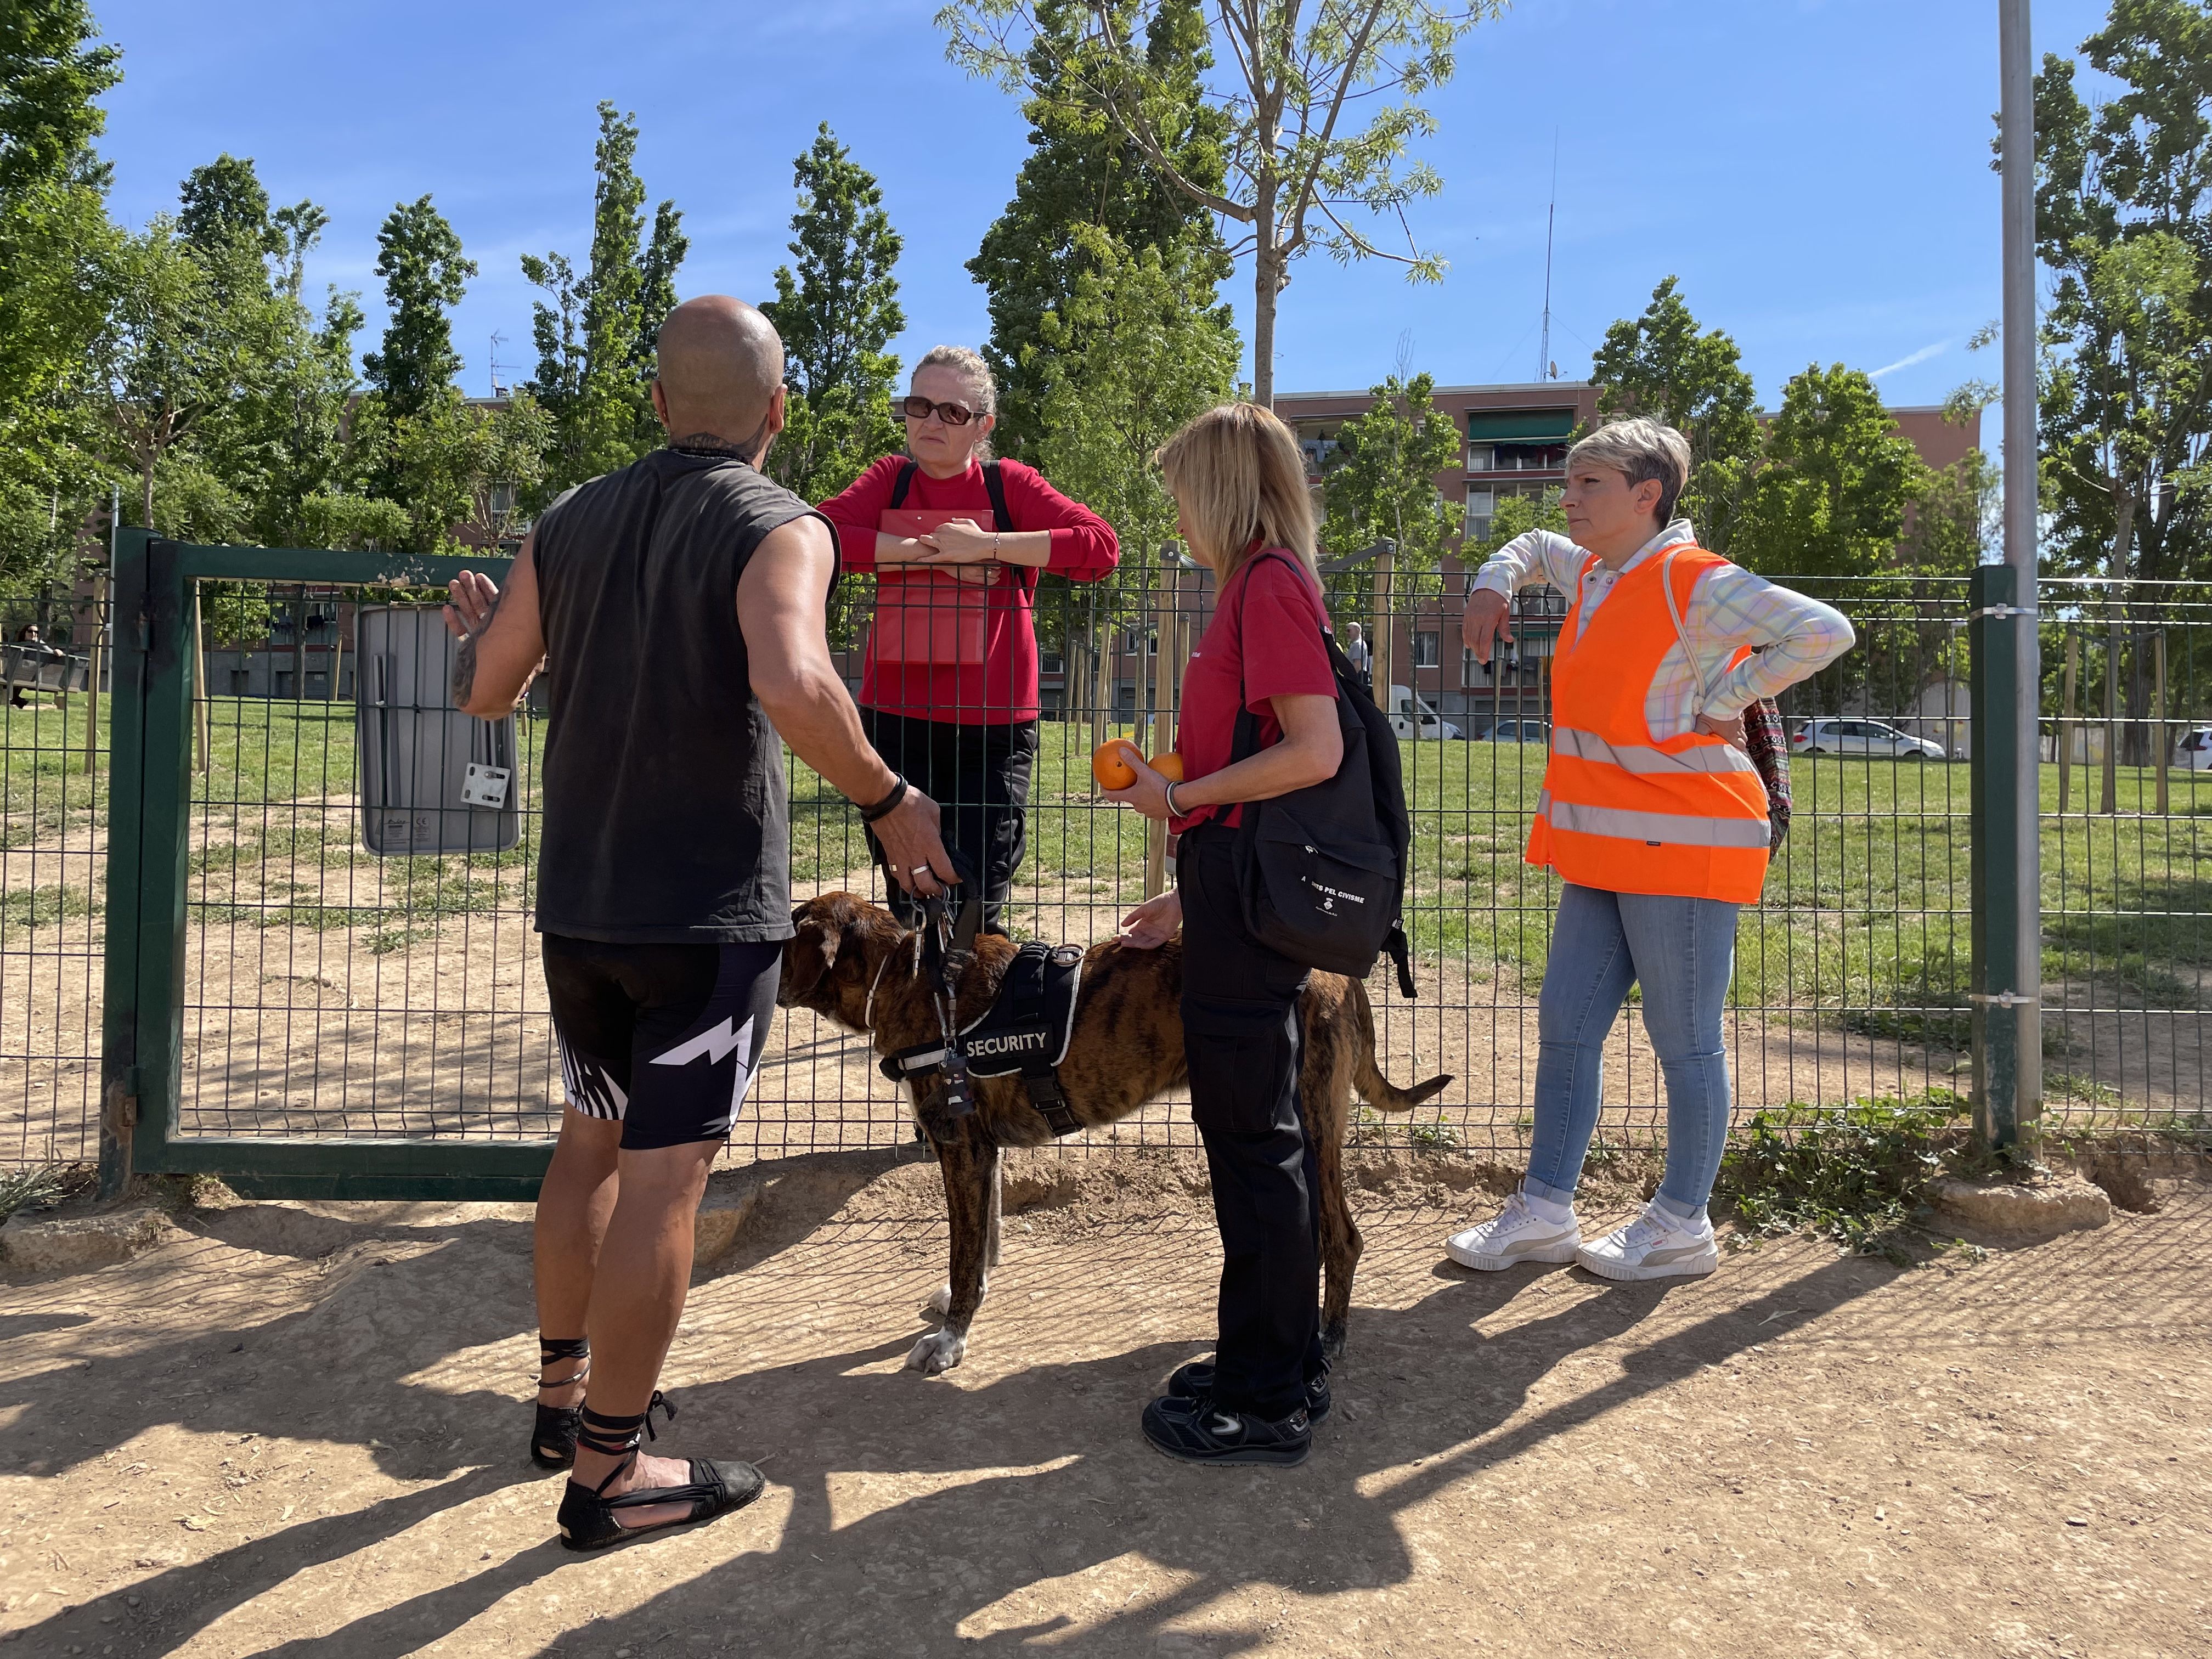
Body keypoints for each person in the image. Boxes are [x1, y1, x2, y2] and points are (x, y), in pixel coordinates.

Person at [443, 296, 957, 1550]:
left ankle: (562, 1409)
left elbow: (486, 692)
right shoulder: (783, 524)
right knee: (667, 1184)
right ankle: (611, 1478)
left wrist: (518, 638)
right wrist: (888, 800)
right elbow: (791, 679)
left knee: (588, 1152)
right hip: (704, 917)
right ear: (779, 414)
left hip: (583, 906)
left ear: (661, 405)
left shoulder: (566, 520)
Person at [1443, 417, 1853, 1281]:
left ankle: (1681, 1226)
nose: (1569, 498)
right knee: (1566, 1027)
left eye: (1589, 484)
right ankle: (1545, 1212)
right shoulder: (1593, 569)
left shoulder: (1694, 581)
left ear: (1646, 496)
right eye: (1571, 481)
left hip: (1686, 847)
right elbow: (1529, 542)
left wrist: (1730, 696)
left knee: (1685, 1041)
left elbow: (1824, 631)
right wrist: (1492, 581)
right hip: (1603, 847)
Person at [1105, 402, 1352, 1467]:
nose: (1176, 514)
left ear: (1219, 489)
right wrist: (1191, 891)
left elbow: (1314, 750)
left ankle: (1267, 1395)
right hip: (1232, 896)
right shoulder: (1250, 590)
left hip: (1249, 903)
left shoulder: (1270, 588)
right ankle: (1272, 1355)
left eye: (1179, 491)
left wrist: (1180, 796)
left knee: (1256, 1144)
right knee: (1249, 1138)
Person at [819, 346, 1118, 931]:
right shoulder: (889, 479)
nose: (931, 422)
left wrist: (988, 545)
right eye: (919, 406)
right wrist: (919, 552)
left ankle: (974, 1018)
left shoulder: (1011, 485)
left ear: (984, 424)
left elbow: (1100, 548)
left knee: (977, 906)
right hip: (897, 725)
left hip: (994, 731)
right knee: (912, 898)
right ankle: (922, 1020)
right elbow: (819, 534)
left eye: (953, 412)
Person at [1343, 620, 1372, 694]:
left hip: (1357, 677)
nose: (1348, 633)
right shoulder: (1359, 643)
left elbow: (1357, 665)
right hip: (1360, 676)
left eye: (1349, 630)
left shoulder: (1358, 645)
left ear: (1357, 630)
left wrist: (1350, 679)